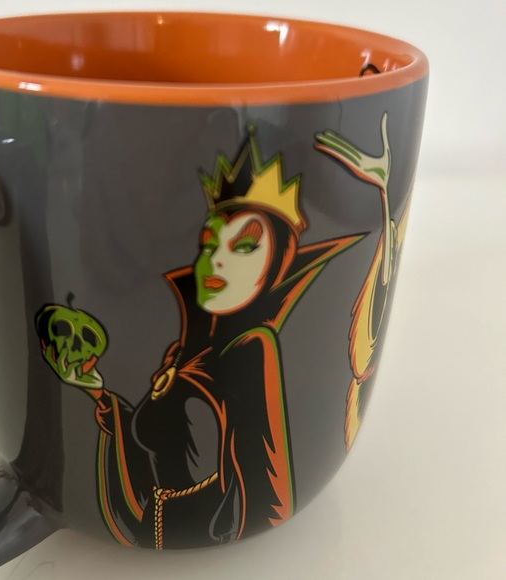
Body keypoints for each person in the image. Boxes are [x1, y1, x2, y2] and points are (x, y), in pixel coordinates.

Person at [36, 116, 406, 548]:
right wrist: (98, 392)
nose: (218, 259)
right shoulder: (181, 352)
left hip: (209, 530)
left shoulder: (251, 346)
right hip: (150, 524)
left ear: (277, 265)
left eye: (245, 246)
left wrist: (385, 203)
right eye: (210, 243)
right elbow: (147, 440)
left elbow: (264, 482)